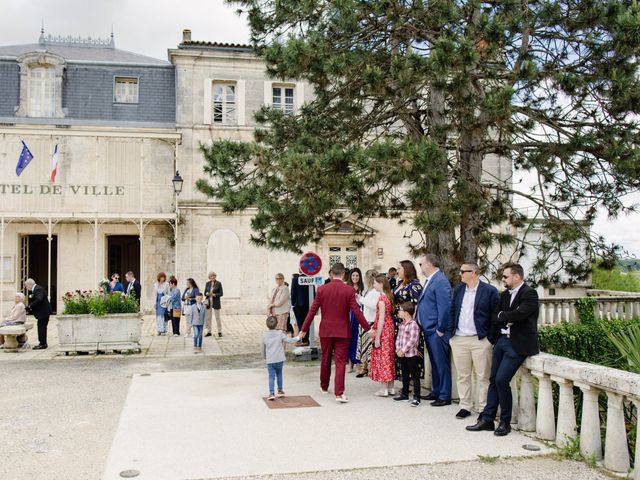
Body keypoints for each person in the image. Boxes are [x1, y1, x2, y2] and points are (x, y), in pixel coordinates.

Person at [467, 262, 539, 436]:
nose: (503, 279)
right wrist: (506, 317)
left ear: (517, 276)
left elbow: (521, 315)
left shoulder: (530, 293)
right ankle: (488, 419)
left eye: (506, 276)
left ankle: (505, 422)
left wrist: (504, 316)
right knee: (493, 379)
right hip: (501, 342)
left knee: (501, 380)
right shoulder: (505, 295)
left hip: (518, 344)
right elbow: (495, 316)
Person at [300, 262, 371, 403]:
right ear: (344, 274)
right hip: (343, 331)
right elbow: (356, 311)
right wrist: (368, 329)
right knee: (340, 362)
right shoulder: (349, 290)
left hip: (326, 330)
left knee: (325, 359)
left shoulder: (322, 290)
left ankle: (324, 386)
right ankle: (339, 393)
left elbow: (312, 311)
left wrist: (304, 329)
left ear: (331, 274)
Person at [449, 262, 499, 419]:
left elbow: (495, 316)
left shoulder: (489, 291)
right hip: (459, 338)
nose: (461, 274)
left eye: (464, 271)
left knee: (483, 376)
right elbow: (452, 311)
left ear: (474, 273)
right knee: (463, 375)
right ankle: (465, 406)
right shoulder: (459, 290)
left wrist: (489, 339)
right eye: (460, 270)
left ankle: (483, 408)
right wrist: (451, 336)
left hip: (480, 340)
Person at [416, 254, 452, 406]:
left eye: (421, 264)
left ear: (429, 264)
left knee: (441, 363)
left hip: (436, 331)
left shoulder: (440, 281)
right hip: (429, 329)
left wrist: (440, 329)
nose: (420, 266)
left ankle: (444, 395)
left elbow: (444, 307)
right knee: (434, 362)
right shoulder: (431, 280)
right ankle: (436, 391)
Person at [393, 260, 425, 385]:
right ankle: (405, 382)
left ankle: (413, 384)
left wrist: (412, 323)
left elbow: (417, 306)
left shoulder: (414, 285)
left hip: (409, 325)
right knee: (401, 353)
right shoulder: (400, 283)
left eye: (399, 268)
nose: (397, 271)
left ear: (406, 270)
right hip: (399, 324)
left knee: (410, 354)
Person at [369, 274, 396, 397]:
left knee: (382, 356)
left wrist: (378, 337)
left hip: (384, 329)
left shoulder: (381, 299)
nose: (374, 285)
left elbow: (381, 319)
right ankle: (391, 387)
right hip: (390, 328)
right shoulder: (389, 297)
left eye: (375, 283)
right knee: (389, 356)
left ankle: (383, 388)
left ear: (381, 284)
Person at [262, 315, 300, 400]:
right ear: (276, 324)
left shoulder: (264, 335)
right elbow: (290, 340)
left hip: (270, 360)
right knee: (279, 374)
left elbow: (262, 348)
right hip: (279, 359)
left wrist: (264, 357)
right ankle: (280, 391)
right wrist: (298, 337)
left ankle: (271, 393)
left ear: (266, 325)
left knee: (271, 376)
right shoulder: (280, 333)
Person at [394, 302, 422, 406]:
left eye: (400, 310)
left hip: (411, 355)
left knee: (415, 376)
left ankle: (417, 397)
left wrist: (403, 350)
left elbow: (413, 340)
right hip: (402, 354)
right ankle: (405, 394)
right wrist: (398, 349)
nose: (399, 312)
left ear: (406, 313)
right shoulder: (402, 324)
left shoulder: (413, 325)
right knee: (404, 374)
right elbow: (398, 338)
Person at [355, 269, 378, 377]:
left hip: (371, 321)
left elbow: (373, 305)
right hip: (365, 320)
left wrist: (361, 299)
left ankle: (371, 368)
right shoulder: (367, 291)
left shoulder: (376, 292)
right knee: (363, 347)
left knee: (370, 348)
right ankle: (365, 367)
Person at [345, 267, 364, 373]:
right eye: (353, 275)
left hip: (359, 316)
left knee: (358, 338)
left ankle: (358, 362)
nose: (355, 277)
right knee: (349, 338)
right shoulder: (347, 287)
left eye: (357, 275)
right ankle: (350, 362)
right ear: (350, 277)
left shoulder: (362, 288)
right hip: (349, 315)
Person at [24, 278, 52, 350]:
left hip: (43, 312)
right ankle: (42, 343)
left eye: (26, 286)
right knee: (41, 328)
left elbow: (39, 299)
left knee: (41, 328)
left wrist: (30, 306)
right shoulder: (37, 288)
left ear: (29, 284)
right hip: (43, 312)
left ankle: (43, 344)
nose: (26, 288)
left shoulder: (37, 289)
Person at [290, 273, 312, 342]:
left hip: (298, 305)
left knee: (300, 322)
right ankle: (306, 339)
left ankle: (302, 339)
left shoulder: (295, 279)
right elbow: (313, 290)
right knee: (307, 322)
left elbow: (293, 292)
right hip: (308, 304)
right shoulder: (310, 278)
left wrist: (293, 304)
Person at [203, 272, 223, 337]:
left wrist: (214, 295)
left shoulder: (219, 283)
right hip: (208, 301)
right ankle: (209, 331)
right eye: (211, 276)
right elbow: (204, 293)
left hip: (216, 301)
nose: (213, 277)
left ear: (215, 277)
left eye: (214, 276)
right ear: (209, 277)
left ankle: (219, 331)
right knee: (208, 317)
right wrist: (207, 294)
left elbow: (221, 293)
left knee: (217, 317)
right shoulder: (207, 283)